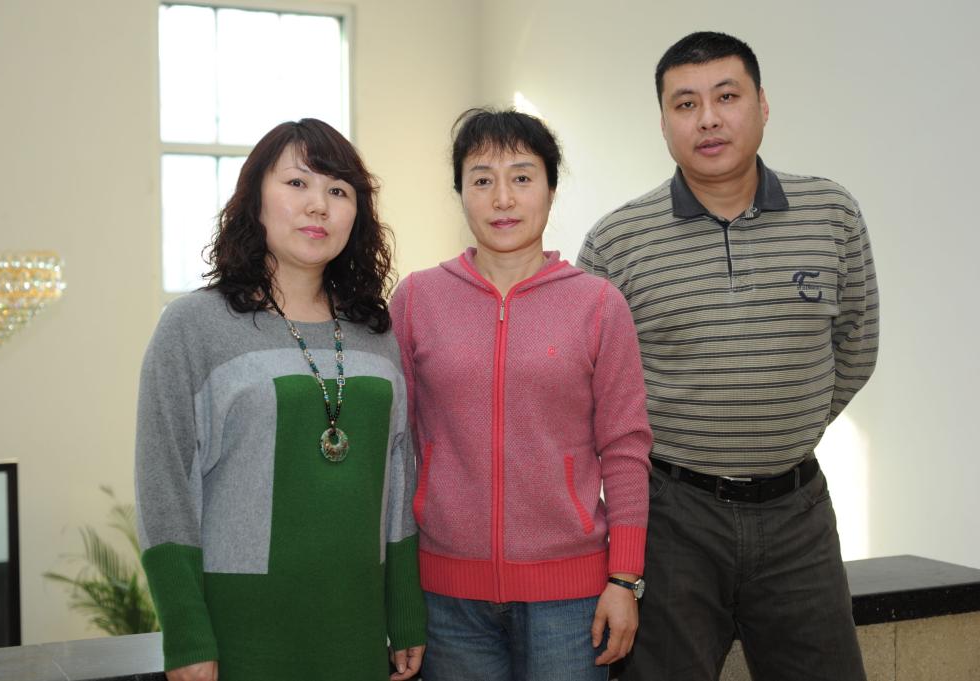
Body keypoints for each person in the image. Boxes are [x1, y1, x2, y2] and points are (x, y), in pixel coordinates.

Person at [578, 31, 879, 681]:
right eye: (685, 104)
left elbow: (856, 347)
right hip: (672, 517)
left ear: (762, 105)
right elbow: (595, 393)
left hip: (797, 512)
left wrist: (778, 428)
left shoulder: (831, 214)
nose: (708, 118)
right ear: (663, 121)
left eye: (727, 96)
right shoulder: (617, 242)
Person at [135, 119, 426, 681]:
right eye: (297, 183)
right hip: (240, 628)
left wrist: (406, 610)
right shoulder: (193, 325)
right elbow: (163, 482)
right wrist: (186, 633)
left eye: (338, 190)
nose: (318, 205)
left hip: (356, 625)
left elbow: (398, 476)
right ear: (255, 199)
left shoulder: (375, 332)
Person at [390, 108, 653, 681]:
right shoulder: (416, 300)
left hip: (572, 597)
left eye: (522, 177)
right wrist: (396, 584)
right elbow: (394, 448)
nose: (502, 198)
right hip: (447, 596)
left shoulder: (598, 305)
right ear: (460, 192)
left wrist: (624, 577)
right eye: (482, 179)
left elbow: (626, 448)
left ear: (551, 190)